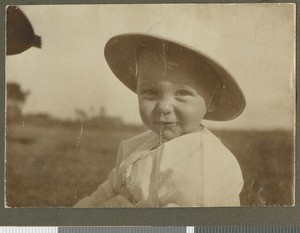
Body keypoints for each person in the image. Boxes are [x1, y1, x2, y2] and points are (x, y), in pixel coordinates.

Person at [74, 33, 246, 207]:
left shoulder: (208, 163)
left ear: (213, 100)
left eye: (182, 93)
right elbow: (109, 189)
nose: (163, 107)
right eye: (150, 92)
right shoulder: (139, 146)